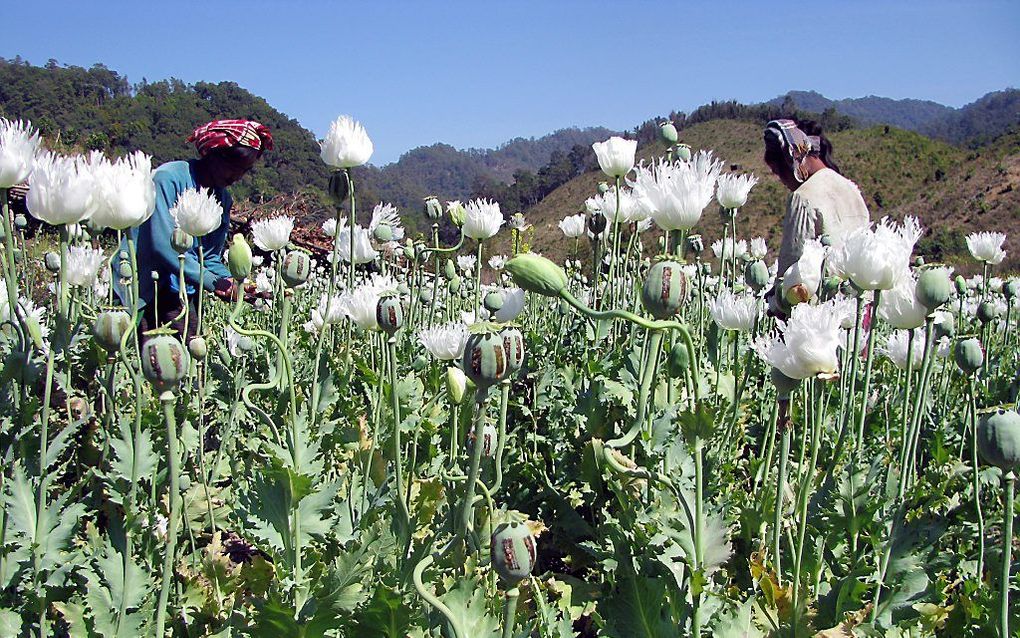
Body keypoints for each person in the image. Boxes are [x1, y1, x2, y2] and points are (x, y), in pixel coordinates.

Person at [114, 119, 273, 341]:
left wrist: (235, 283)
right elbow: (162, 246)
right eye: (234, 167)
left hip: (182, 290)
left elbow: (209, 257)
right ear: (214, 155)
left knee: (187, 360)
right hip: (142, 286)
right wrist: (213, 282)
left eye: (244, 171)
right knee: (149, 363)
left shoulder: (222, 199)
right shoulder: (168, 179)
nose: (237, 177)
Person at [763, 118, 869, 314]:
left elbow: (792, 275)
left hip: (821, 317)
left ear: (792, 158)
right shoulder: (851, 189)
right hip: (859, 313)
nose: (782, 181)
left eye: (778, 172)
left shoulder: (803, 197)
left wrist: (772, 307)